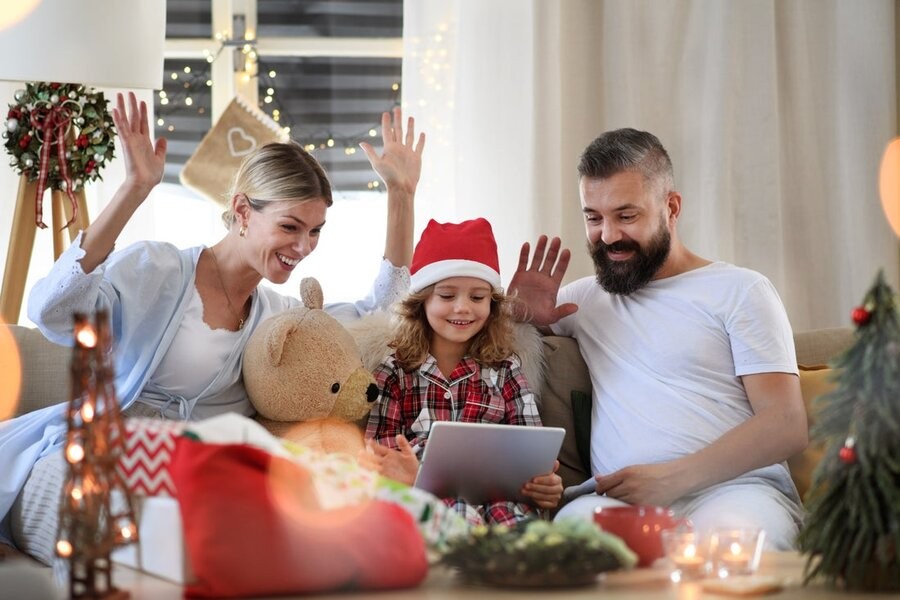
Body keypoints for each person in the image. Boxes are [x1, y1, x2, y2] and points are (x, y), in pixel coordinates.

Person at [0, 92, 426, 562]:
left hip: (191, 473)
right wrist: (134, 190)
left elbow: (375, 314)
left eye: (315, 230)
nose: (305, 246)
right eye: (290, 226)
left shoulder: (276, 316)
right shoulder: (157, 269)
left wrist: (401, 197)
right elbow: (51, 310)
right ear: (243, 211)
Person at [508, 128, 808, 549]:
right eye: (593, 217)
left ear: (671, 207)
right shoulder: (580, 302)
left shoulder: (741, 291)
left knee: (733, 547)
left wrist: (672, 478)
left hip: (737, 491)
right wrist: (517, 318)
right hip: (617, 503)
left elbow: (786, 424)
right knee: (568, 545)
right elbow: (489, 362)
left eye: (626, 216)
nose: (608, 235)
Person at [362, 218, 564, 526]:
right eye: (446, 296)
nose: (463, 308)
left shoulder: (507, 369)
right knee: (455, 516)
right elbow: (376, 459)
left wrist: (545, 485)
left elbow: (534, 453)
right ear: (421, 301)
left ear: (492, 305)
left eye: (477, 297)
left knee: (526, 529)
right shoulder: (394, 372)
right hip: (424, 503)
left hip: (501, 501)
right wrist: (406, 473)